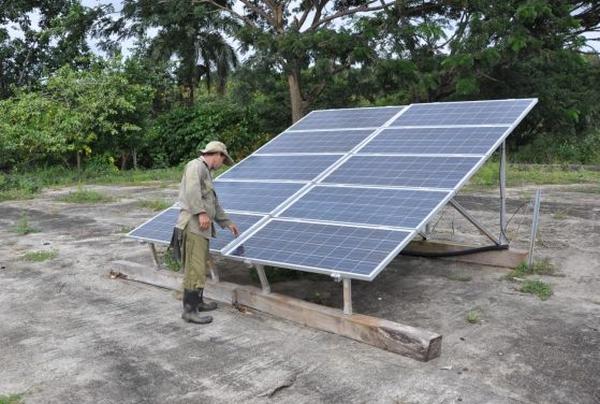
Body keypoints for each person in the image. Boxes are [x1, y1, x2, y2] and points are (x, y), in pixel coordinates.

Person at [174, 141, 239, 324]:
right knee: (194, 269)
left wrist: (227, 222)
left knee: (199, 267)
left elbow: (214, 204)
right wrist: (201, 212)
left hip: (202, 228)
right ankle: (190, 310)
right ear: (217, 154)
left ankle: (199, 302)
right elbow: (191, 191)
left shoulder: (206, 172)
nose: (221, 165)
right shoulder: (195, 166)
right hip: (193, 226)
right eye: (223, 160)